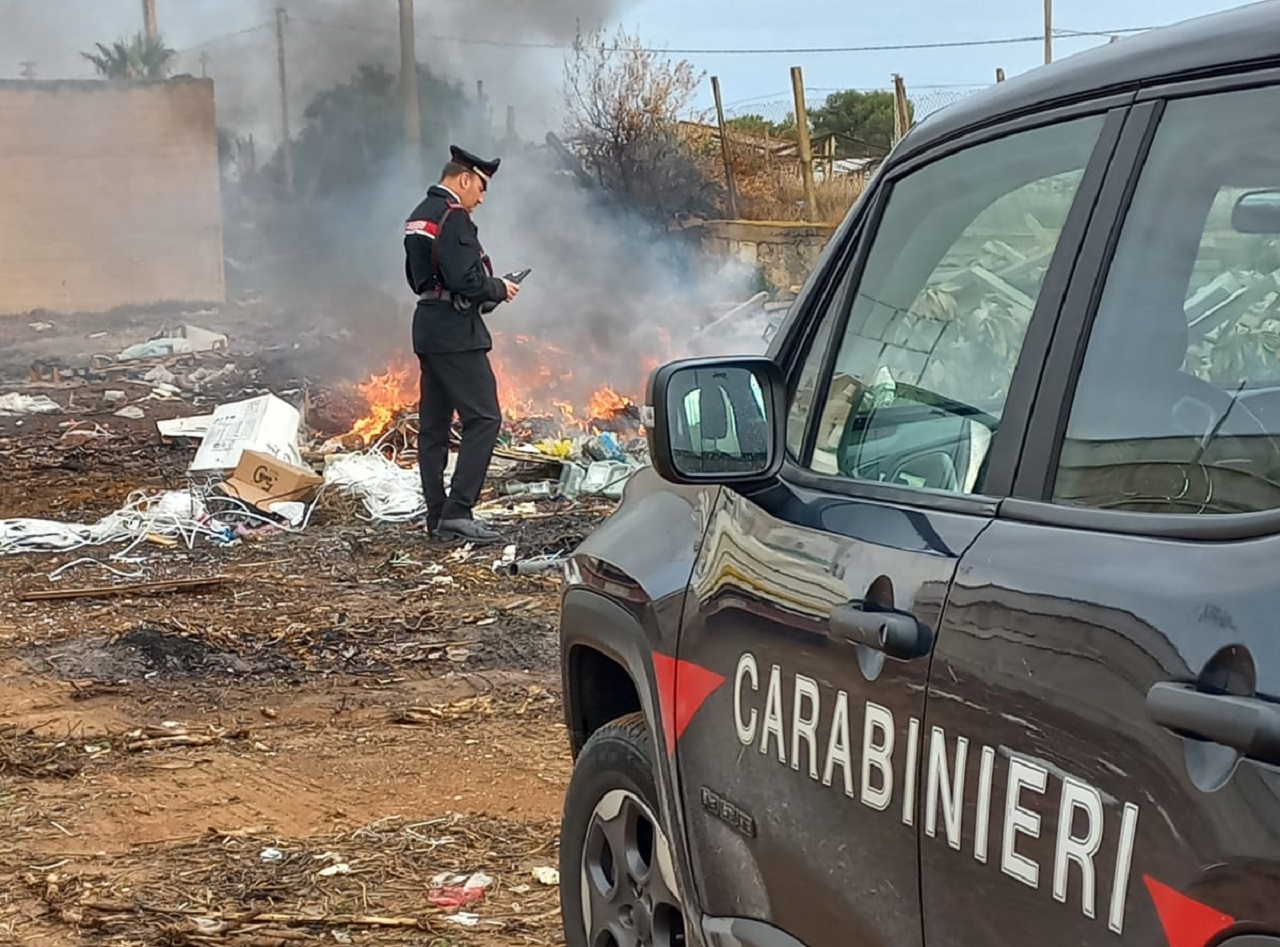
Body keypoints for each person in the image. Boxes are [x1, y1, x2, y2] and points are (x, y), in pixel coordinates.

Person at [404, 145, 520, 544]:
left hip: (428, 327)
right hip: (456, 333)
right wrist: (499, 287)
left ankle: (437, 517)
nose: (481, 198)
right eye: (481, 187)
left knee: (434, 427)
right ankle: (458, 513)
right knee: (485, 418)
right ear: (464, 178)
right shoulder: (454, 217)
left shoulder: (419, 215)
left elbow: (420, 278)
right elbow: (465, 281)